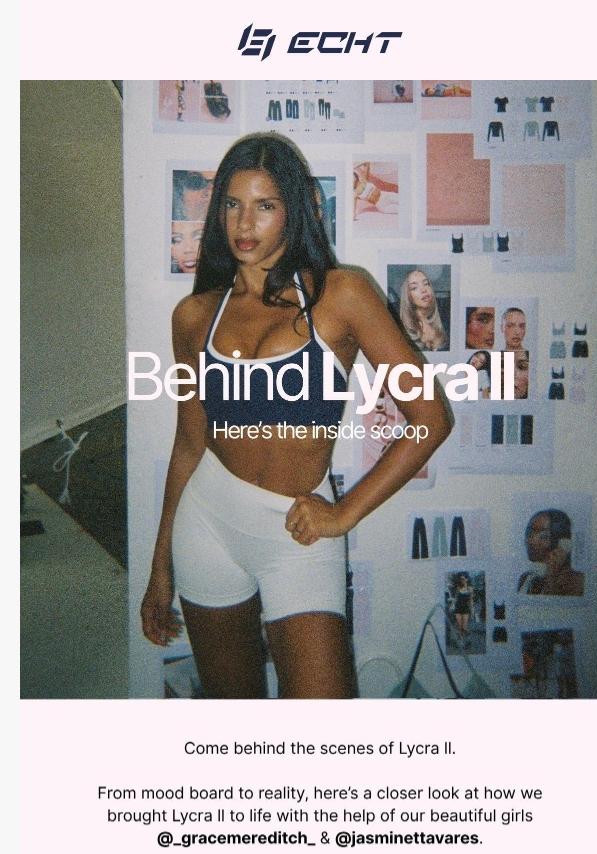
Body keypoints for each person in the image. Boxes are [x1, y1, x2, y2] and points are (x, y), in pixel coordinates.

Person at [141, 133, 453, 699]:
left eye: (264, 205)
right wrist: (159, 566)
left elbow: (431, 418)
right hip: (208, 524)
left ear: (295, 210)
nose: (244, 224)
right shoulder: (194, 316)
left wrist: (344, 514)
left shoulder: (342, 295)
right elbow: (189, 442)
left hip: (300, 533)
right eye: (232, 204)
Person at [517, 510, 585, 596]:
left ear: (561, 543)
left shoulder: (577, 582)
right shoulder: (526, 579)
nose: (531, 541)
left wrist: (551, 578)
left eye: (543, 536)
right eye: (529, 533)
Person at [398, 269, 448, 351]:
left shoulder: (445, 323)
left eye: (426, 284)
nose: (424, 290)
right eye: (414, 288)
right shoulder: (401, 330)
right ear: (407, 296)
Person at [453, 574, 473, 648]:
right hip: (458, 608)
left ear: (466, 579)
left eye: (463, 579)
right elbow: (456, 599)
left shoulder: (469, 589)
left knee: (464, 627)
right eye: (461, 579)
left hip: (465, 609)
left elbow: (471, 600)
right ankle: (461, 643)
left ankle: (468, 639)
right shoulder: (458, 588)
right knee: (459, 627)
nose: (462, 580)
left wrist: (472, 610)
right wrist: (453, 606)